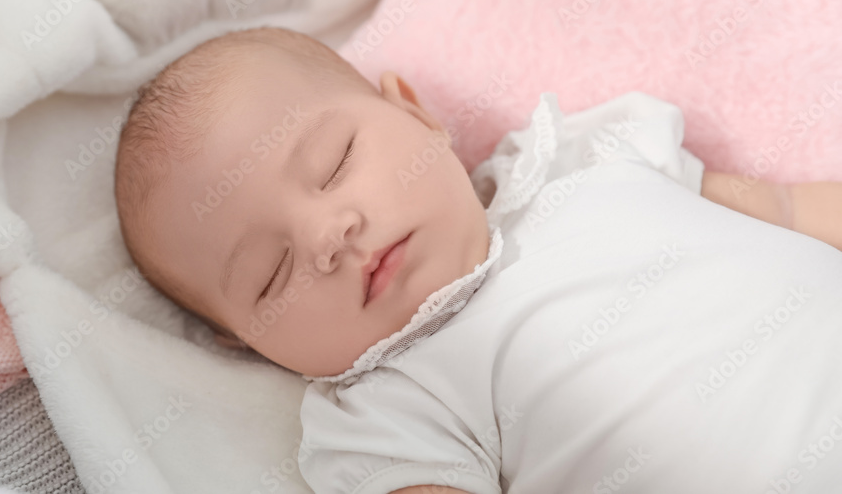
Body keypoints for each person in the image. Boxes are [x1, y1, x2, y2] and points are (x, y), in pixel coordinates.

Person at [114, 26, 842, 494]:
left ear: (413, 111)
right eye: (271, 271)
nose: (329, 234)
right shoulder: (386, 408)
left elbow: (782, 207)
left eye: (335, 162)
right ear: (248, 342)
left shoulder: (584, 158)